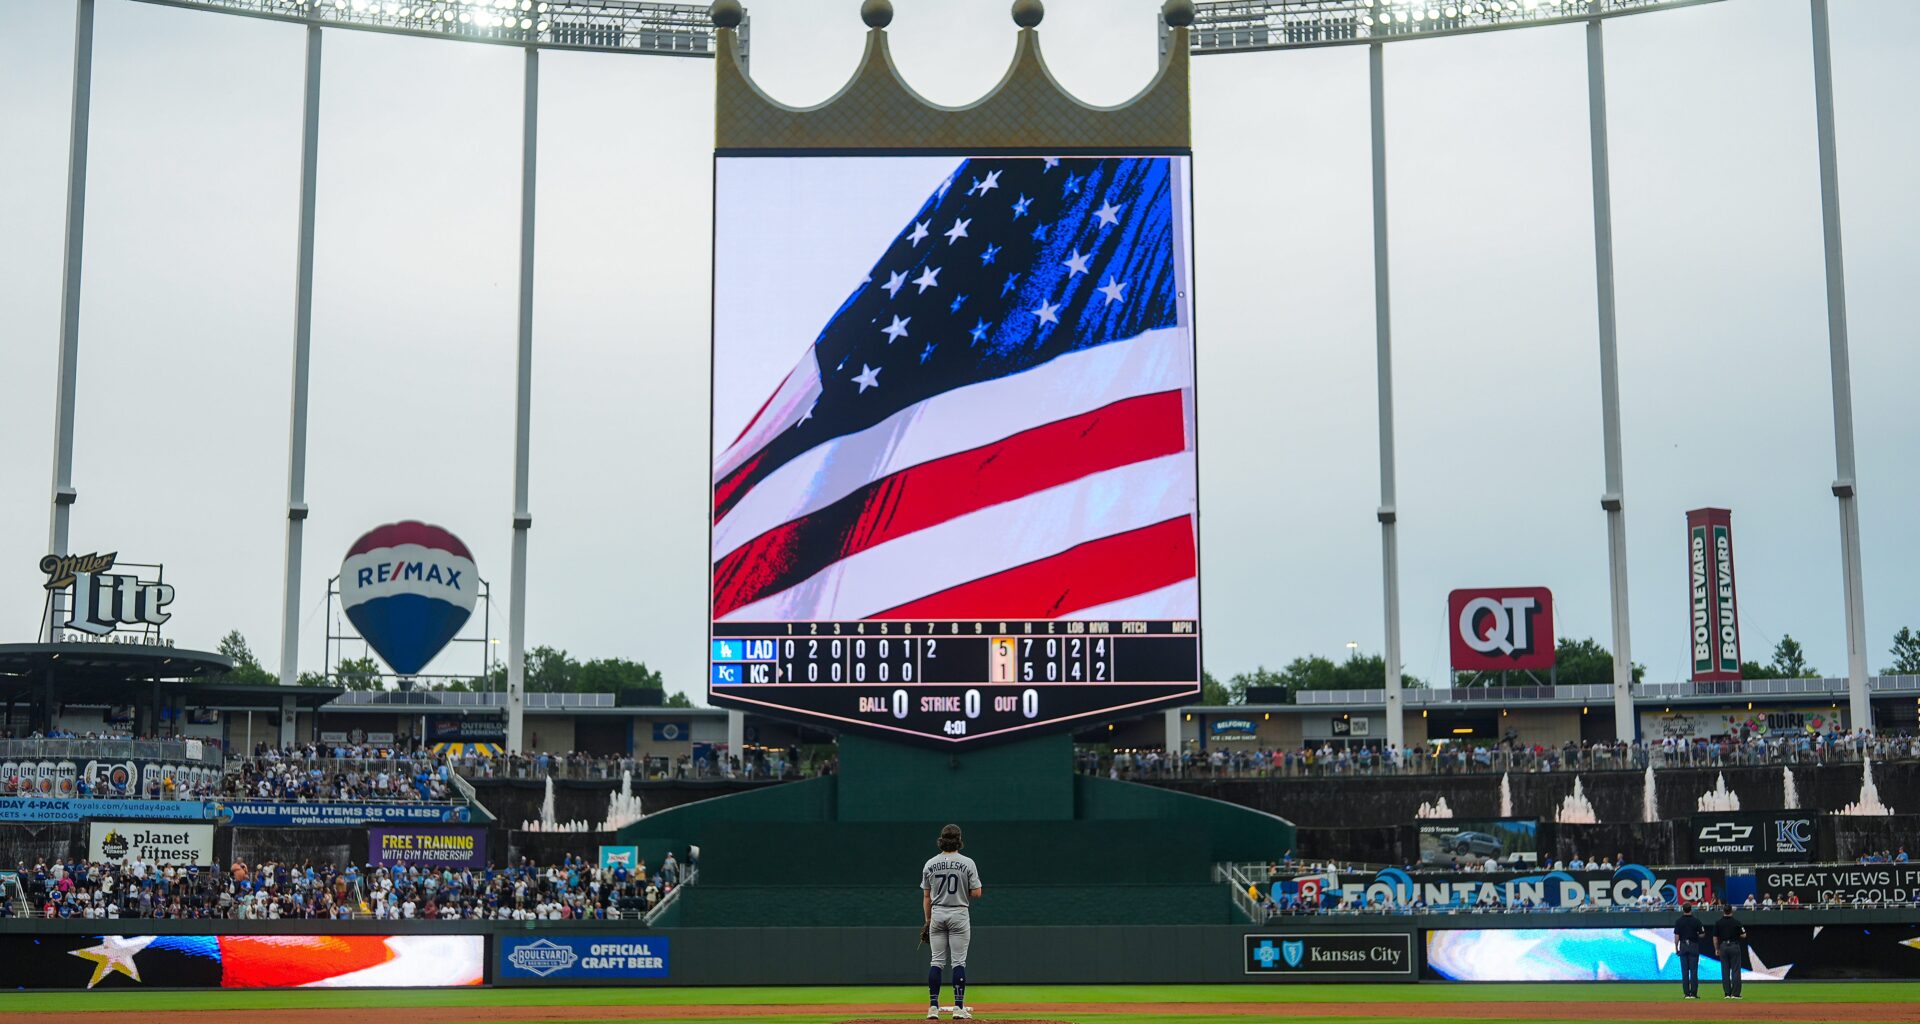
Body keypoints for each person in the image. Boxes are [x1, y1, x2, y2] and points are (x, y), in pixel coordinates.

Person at [921, 824, 982, 1020]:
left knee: (936, 961)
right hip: (958, 912)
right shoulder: (968, 862)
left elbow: (927, 897)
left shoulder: (930, 863)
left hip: (937, 914)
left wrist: (928, 921)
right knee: (958, 962)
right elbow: (976, 892)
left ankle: (932, 1008)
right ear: (959, 839)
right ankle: (958, 1008)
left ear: (941, 839)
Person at [1711, 904, 1747, 999]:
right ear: (1731, 911)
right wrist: (1736, 934)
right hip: (1734, 946)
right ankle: (1735, 994)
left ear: (1723, 911)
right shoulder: (1736, 922)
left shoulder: (1718, 922)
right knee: (1735, 971)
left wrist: (1716, 949)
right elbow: (1744, 935)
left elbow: (1715, 938)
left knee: (1725, 971)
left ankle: (1727, 994)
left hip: (1723, 946)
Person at [1673, 903, 1704, 999]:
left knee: (1685, 971)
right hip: (1693, 945)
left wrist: (1676, 948)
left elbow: (1676, 936)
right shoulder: (1696, 921)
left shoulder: (1679, 921)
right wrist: (1696, 935)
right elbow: (1702, 934)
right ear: (1691, 909)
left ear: (1683, 910)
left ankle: (1686, 994)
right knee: (1694, 971)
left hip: (1683, 946)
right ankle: (1694, 993)